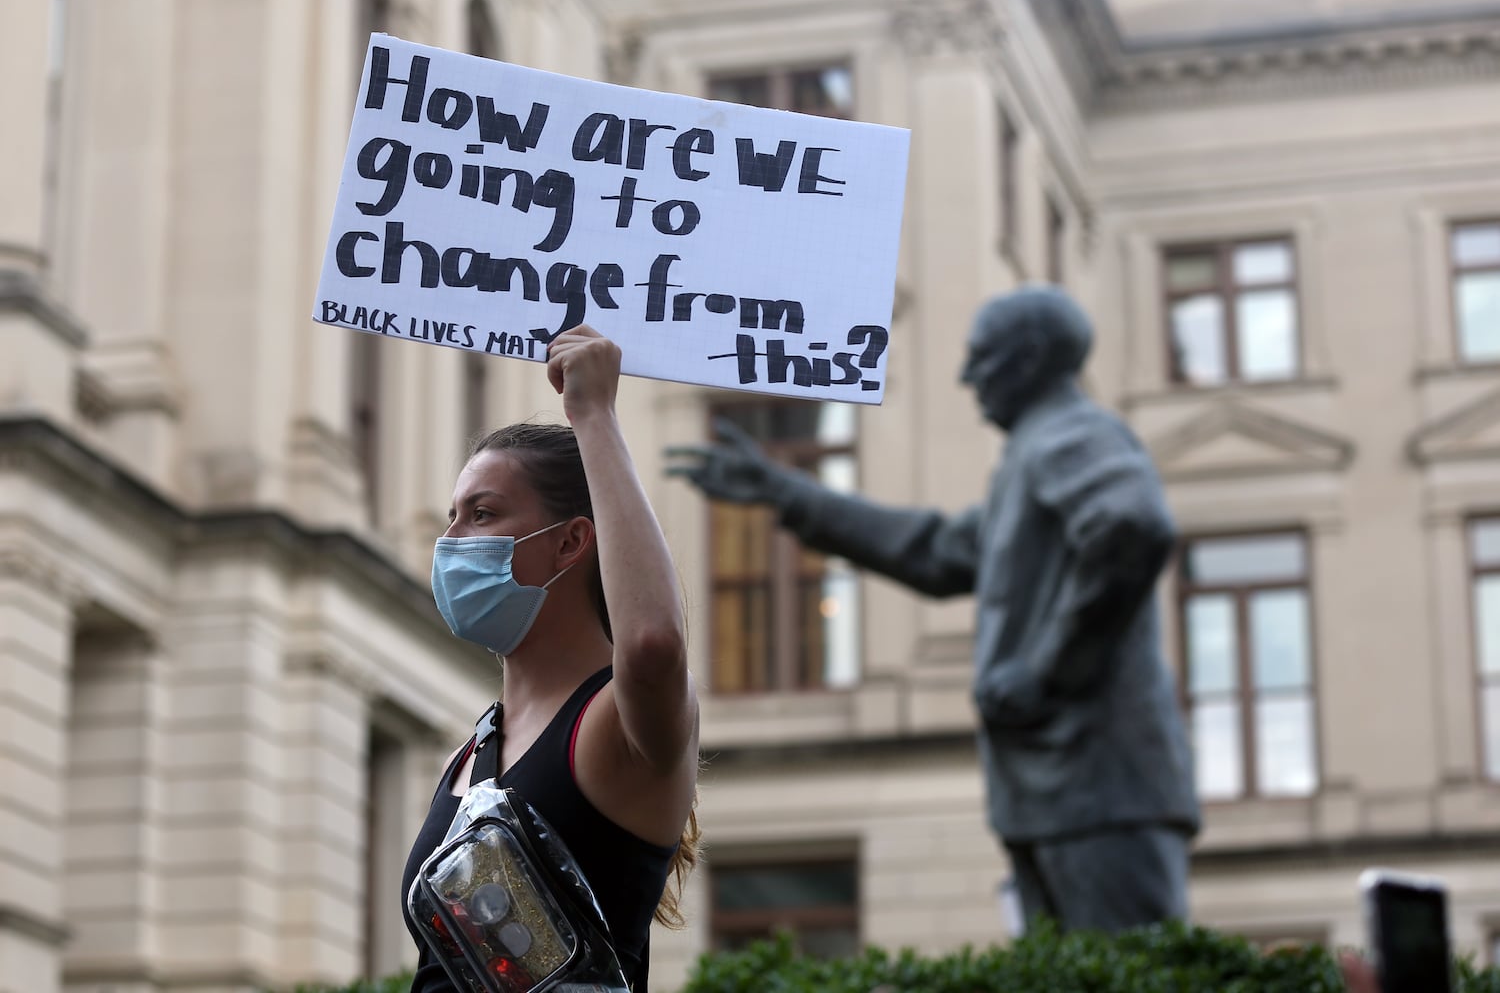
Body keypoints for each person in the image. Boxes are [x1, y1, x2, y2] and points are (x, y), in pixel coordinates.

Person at [668, 285, 1199, 934]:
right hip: (1060, 788)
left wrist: (1045, 669)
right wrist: (787, 492)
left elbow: (1133, 528)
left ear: (1028, 359)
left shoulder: (1073, 435)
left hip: (1098, 785)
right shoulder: (1034, 456)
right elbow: (937, 551)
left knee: (1125, 973)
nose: (967, 376)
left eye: (982, 355)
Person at [401, 325, 700, 992]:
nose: (450, 540)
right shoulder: (474, 749)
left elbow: (652, 645)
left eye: (481, 514)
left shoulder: (612, 725)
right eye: (453, 514)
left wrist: (594, 415)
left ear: (569, 544)